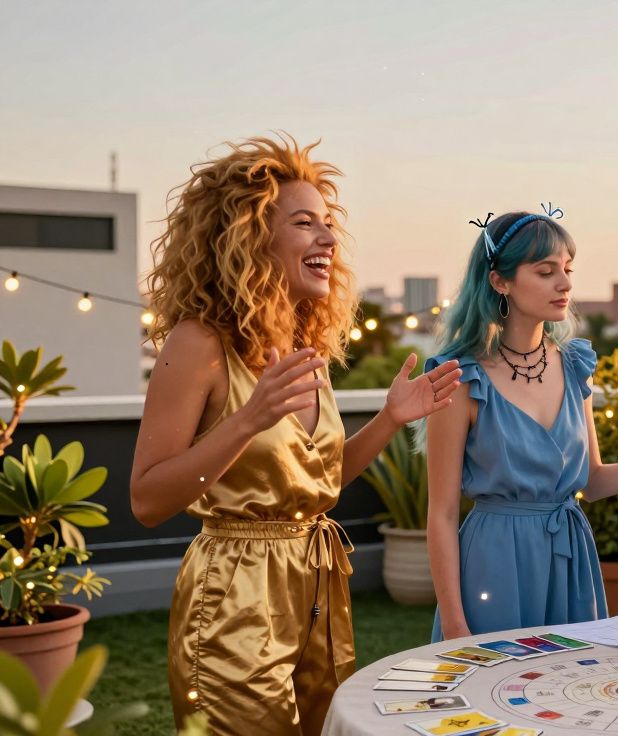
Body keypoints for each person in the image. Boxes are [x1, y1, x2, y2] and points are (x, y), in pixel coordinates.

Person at [130, 135, 462, 734]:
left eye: (329, 223)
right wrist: (248, 420)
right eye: (305, 223)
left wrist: (390, 420)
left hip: (314, 587)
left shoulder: (301, 348)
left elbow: (318, 481)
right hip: (234, 596)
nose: (329, 240)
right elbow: (148, 500)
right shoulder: (198, 344)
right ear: (250, 237)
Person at [423, 206, 618, 641]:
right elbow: (442, 514)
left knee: (565, 698)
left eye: (567, 269)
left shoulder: (575, 365)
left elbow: (592, 481)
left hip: (570, 563)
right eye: (545, 271)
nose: (565, 284)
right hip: (495, 564)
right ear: (499, 281)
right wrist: (454, 622)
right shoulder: (460, 378)